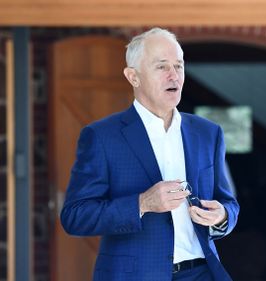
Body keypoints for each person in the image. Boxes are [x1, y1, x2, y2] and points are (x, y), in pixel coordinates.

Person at [60, 27, 239, 281]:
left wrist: (221, 216)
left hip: (201, 273)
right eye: (162, 67)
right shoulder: (102, 137)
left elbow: (229, 204)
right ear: (133, 77)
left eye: (179, 66)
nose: (174, 75)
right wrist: (142, 204)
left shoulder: (208, 134)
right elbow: (75, 216)